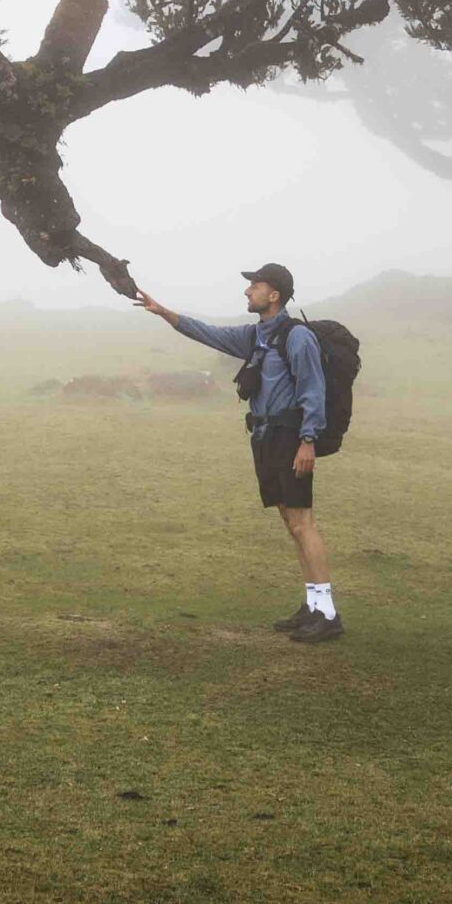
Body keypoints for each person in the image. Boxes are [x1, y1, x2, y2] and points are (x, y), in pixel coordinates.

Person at [133, 265, 342, 641]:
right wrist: (164, 312)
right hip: (265, 436)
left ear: (274, 295)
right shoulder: (256, 336)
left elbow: (314, 390)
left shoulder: (297, 338)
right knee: (290, 525)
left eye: (255, 285)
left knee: (302, 523)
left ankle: (327, 613)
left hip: (290, 437)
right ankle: (312, 604)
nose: (248, 291)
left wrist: (308, 440)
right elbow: (209, 334)